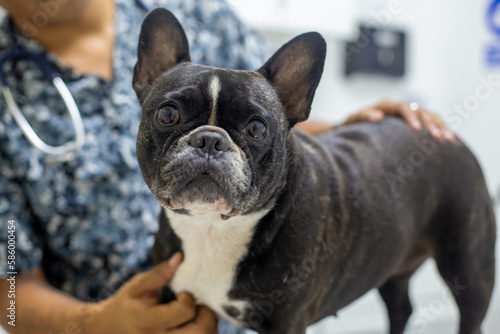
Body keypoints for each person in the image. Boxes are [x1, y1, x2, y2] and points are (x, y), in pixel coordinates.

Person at [0, 0, 453, 333]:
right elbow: (10, 292)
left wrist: (357, 127)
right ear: (146, 75)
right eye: (171, 118)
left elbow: (270, 121)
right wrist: (96, 322)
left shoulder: (197, 11)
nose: (209, 149)